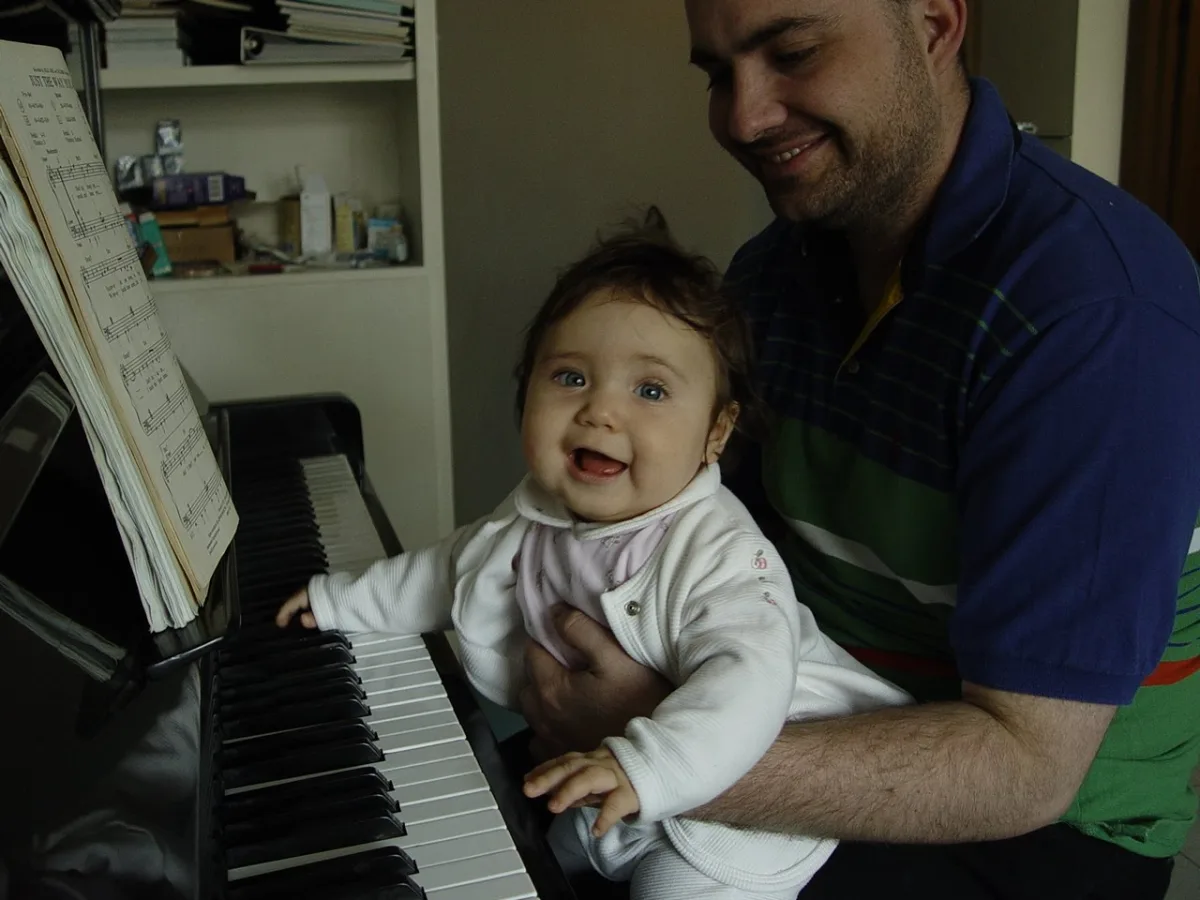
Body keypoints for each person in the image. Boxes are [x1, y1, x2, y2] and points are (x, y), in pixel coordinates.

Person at [516, 1, 1200, 899]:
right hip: (791, 699)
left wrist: (654, 743)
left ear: (934, 24)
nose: (744, 117)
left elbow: (1026, 766)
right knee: (470, 800)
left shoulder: (1094, 314)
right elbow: (703, 538)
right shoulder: (774, 270)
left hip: (1037, 827)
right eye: (718, 74)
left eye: (793, 53)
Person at [274, 216, 912, 900]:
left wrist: (648, 766)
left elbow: (746, 684)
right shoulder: (537, 515)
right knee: (530, 853)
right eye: (571, 377)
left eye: (651, 391)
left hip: (746, 795)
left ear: (715, 432)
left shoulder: (723, 555)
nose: (601, 412)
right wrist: (340, 601)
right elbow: (444, 569)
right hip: (613, 772)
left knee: (674, 888)